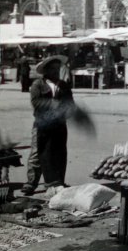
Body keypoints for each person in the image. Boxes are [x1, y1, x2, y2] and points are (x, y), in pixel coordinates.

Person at [29, 55, 94, 197]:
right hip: (43, 123)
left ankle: (58, 182)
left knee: (59, 153)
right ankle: (33, 183)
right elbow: (36, 102)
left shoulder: (64, 86)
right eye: (52, 69)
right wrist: (52, 104)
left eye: (58, 69)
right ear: (46, 71)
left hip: (59, 124)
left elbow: (70, 104)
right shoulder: (38, 85)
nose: (56, 72)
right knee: (40, 153)